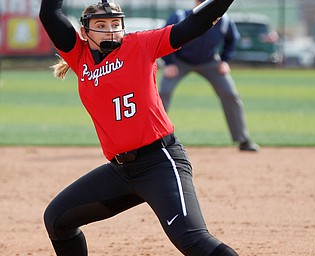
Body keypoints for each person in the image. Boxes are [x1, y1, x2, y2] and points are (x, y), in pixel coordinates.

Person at [39, 0, 240, 255]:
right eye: (100, 25)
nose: (110, 30)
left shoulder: (141, 44)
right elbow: (50, 13)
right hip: (121, 171)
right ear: (84, 33)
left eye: (115, 24)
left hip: (160, 162)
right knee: (58, 220)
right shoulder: (80, 57)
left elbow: (195, 24)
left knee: (192, 240)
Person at [159, 0, 259, 152]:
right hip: (179, 62)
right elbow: (164, 37)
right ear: (196, 2)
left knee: (230, 94)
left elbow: (232, 39)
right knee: (163, 93)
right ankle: (154, 141)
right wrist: (169, 62)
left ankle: (243, 139)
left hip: (210, 62)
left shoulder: (223, 19)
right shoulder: (180, 16)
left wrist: (225, 60)